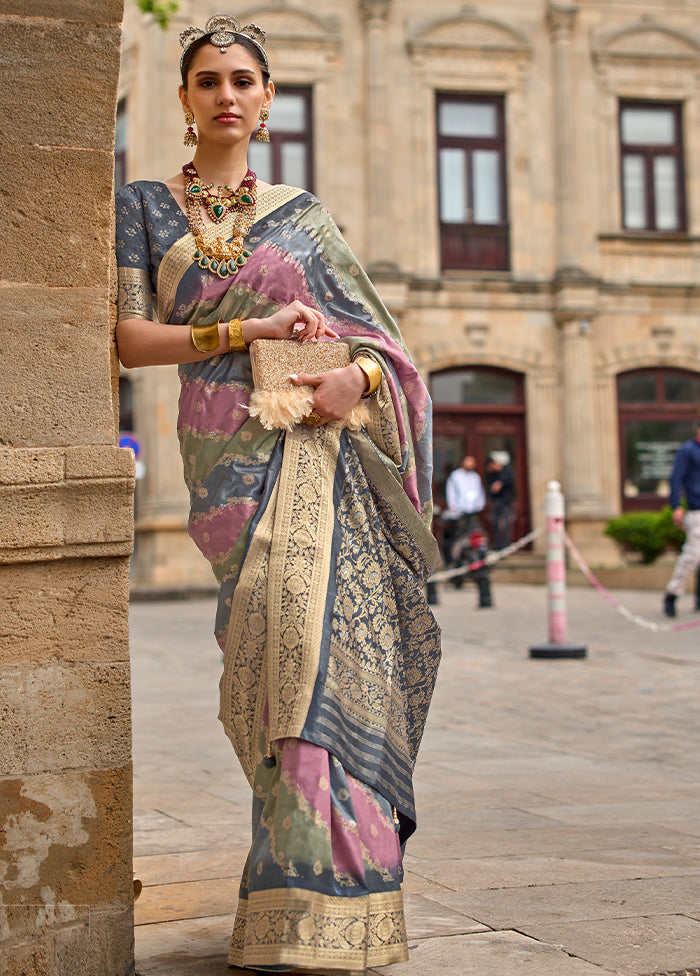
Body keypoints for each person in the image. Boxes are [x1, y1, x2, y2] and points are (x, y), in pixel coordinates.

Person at [114, 14, 441, 974]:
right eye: (207, 80)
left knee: (316, 650)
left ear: (266, 100)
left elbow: (389, 348)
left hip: (315, 458)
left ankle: (334, 903)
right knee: (261, 665)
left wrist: (360, 384)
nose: (225, 94)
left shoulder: (303, 215)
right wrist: (244, 334)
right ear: (182, 101)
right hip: (223, 467)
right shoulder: (143, 205)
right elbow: (131, 341)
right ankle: (287, 897)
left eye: (242, 80)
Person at [663, 417, 700, 617]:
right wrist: (676, 505)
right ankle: (672, 594)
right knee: (692, 556)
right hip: (697, 510)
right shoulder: (687, 451)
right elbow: (676, 479)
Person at [441, 455, 485, 564]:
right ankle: (451, 560)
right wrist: (454, 507)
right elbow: (451, 492)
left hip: (472, 511)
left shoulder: (475, 477)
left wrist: (479, 505)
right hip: (459, 512)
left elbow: (479, 492)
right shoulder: (455, 476)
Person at [486, 453, 515, 550]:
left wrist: (501, 483)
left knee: (505, 525)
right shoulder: (492, 474)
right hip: (496, 502)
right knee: (495, 524)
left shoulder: (507, 473)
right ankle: (498, 545)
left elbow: (510, 481)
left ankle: (505, 545)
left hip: (505, 503)